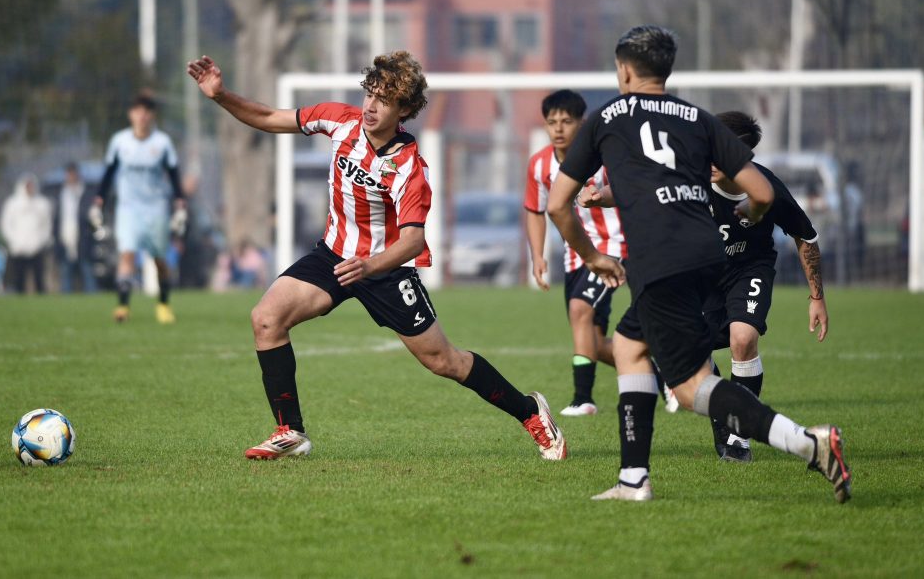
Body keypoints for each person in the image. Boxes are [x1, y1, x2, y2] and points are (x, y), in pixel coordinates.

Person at [186, 50, 566, 461]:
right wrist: (221, 95)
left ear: (404, 109)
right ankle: (290, 431)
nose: (370, 105)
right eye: (369, 93)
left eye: (383, 100)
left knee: (444, 361)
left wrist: (369, 265)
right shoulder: (339, 120)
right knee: (266, 318)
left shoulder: (409, 167)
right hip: (334, 255)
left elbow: (413, 241)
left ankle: (530, 412)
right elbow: (268, 118)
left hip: (386, 270)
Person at [547, 25, 850, 503]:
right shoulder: (697, 118)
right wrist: (751, 214)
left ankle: (808, 443)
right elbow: (762, 193)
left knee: (690, 387)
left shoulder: (608, 118)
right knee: (629, 346)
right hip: (706, 257)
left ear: (623, 70)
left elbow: (557, 204)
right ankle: (633, 479)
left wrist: (592, 256)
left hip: (661, 258)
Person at [700, 111, 829, 463]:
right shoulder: (692, 180)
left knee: (743, 339)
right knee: (692, 356)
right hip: (702, 277)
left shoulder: (767, 188)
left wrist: (817, 298)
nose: (711, 158)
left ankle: (739, 436)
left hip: (749, 269)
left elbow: (806, 237)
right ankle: (724, 414)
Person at [524, 89, 625, 416]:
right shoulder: (540, 164)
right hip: (576, 254)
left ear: (582, 123)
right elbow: (535, 211)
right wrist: (538, 255)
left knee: (580, 311)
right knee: (592, 340)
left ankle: (583, 399)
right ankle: (663, 372)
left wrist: (602, 195)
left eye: (566, 121)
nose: (558, 128)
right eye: (551, 122)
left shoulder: (602, 157)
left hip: (613, 247)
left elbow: (628, 188)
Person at [92, 92, 186, 323]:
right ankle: (123, 306)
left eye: (146, 112)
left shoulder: (162, 143)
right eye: (138, 111)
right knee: (127, 255)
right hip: (128, 209)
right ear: (131, 115)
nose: (142, 116)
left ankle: (163, 305)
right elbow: (109, 172)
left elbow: (174, 174)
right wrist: (99, 200)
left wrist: (180, 203)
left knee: (159, 260)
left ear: (152, 116)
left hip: (156, 208)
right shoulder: (120, 142)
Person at [0, 173, 53, 294]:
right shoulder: (12, 203)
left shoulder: (42, 203)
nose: (30, 189)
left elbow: (47, 225)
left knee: (39, 279)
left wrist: (41, 241)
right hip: (18, 248)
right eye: (27, 186)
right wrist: (14, 241)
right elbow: (6, 225)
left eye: (31, 186)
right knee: (19, 279)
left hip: (37, 248)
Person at [55, 162, 97, 293]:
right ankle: (66, 299)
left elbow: (92, 215)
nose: (71, 177)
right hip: (65, 238)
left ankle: (92, 296)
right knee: (66, 273)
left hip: (83, 238)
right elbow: (57, 218)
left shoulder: (86, 193)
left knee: (87, 270)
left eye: (73, 174)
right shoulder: (61, 193)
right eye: (69, 174)